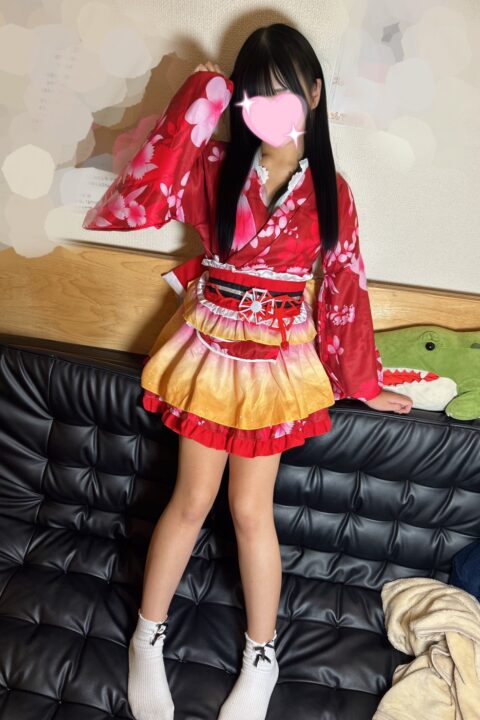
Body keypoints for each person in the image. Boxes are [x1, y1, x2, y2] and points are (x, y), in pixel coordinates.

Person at [82, 22, 413, 720]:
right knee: (190, 500)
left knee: (248, 511)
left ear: (314, 94)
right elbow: (144, 197)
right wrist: (200, 93)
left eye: (284, 95)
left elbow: (344, 289)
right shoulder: (211, 166)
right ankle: (147, 637)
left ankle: (262, 656)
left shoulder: (332, 191)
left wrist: (364, 383)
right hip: (211, 345)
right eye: (252, 98)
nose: (269, 112)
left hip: (278, 360)